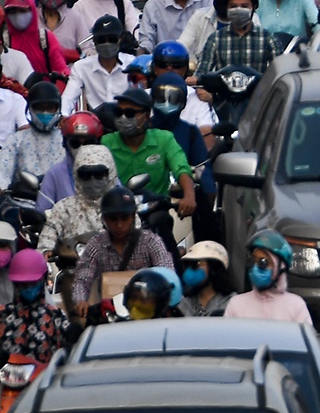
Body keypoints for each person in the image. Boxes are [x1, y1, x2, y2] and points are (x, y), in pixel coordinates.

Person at [71, 188, 172, 322]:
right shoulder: (96, 244)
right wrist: (80, 301)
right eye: (113, 219)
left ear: (133, 216)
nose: (119, 225)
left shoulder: (150, 241)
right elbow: (82, 279)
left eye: (124, 218)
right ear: (104, 219)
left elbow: (167, 273)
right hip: (111, 314)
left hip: (147, 310)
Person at [102, 88, 196, 222]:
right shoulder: (106, 143)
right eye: (118, 112)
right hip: (117, 215)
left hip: (156, 210)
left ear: (146, 116)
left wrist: (189, 197)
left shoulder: (164, 139)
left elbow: (181, 168)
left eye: (130, 113)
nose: (123, 118)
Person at [0, 248, 69, 366]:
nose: (27, 288)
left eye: (32, 283)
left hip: (43, 382)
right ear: (14, 284)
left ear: (42, 279)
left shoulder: (55, 317)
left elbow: (71, 356)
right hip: (1, 381)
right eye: (22, 284)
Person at [0, 81, 67, 200]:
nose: (45, 113)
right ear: (29, 109)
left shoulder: (67, 139)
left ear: (58, 109)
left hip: (61, 201)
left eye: (50, 108)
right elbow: (3, 169)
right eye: (39, 108)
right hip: (24, 201)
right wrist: (3, 186)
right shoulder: (17, 139)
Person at [223, 229, 313, 323]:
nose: (255, 268)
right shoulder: (236, 305)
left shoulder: (296, 306)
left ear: (280, 267)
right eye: (253, 261)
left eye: (263, 262)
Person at [197, 0, 280, 77]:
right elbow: (202, 72)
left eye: (244, 6)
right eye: (233, 6)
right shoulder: (216, 38)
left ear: (254, 7)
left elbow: (280, 73)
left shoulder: (268, 38)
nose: (239, 10)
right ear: (227, 8)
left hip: (258, 91)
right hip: (223, 91)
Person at [176, 240, 231, 317]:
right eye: (187, 265)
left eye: (195, 264)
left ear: (214, 268)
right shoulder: (183, 305)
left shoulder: (232, 304)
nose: (189, 270)